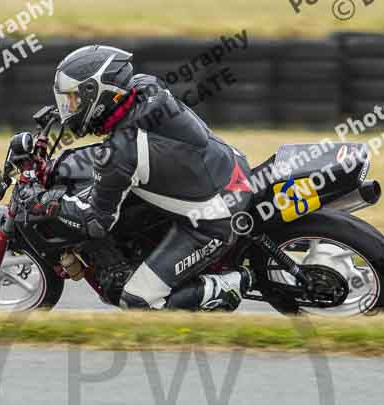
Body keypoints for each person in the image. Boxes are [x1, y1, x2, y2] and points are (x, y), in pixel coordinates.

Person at [29, 44, 255, 310]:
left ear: (96, 95)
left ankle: (227, 285)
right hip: (230, 167)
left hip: (216, 218)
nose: (69, 108)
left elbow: (95, 221)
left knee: (138, 301)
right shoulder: (145, 88)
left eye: (74, 99)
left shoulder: (121, 153)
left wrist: (47, 203)